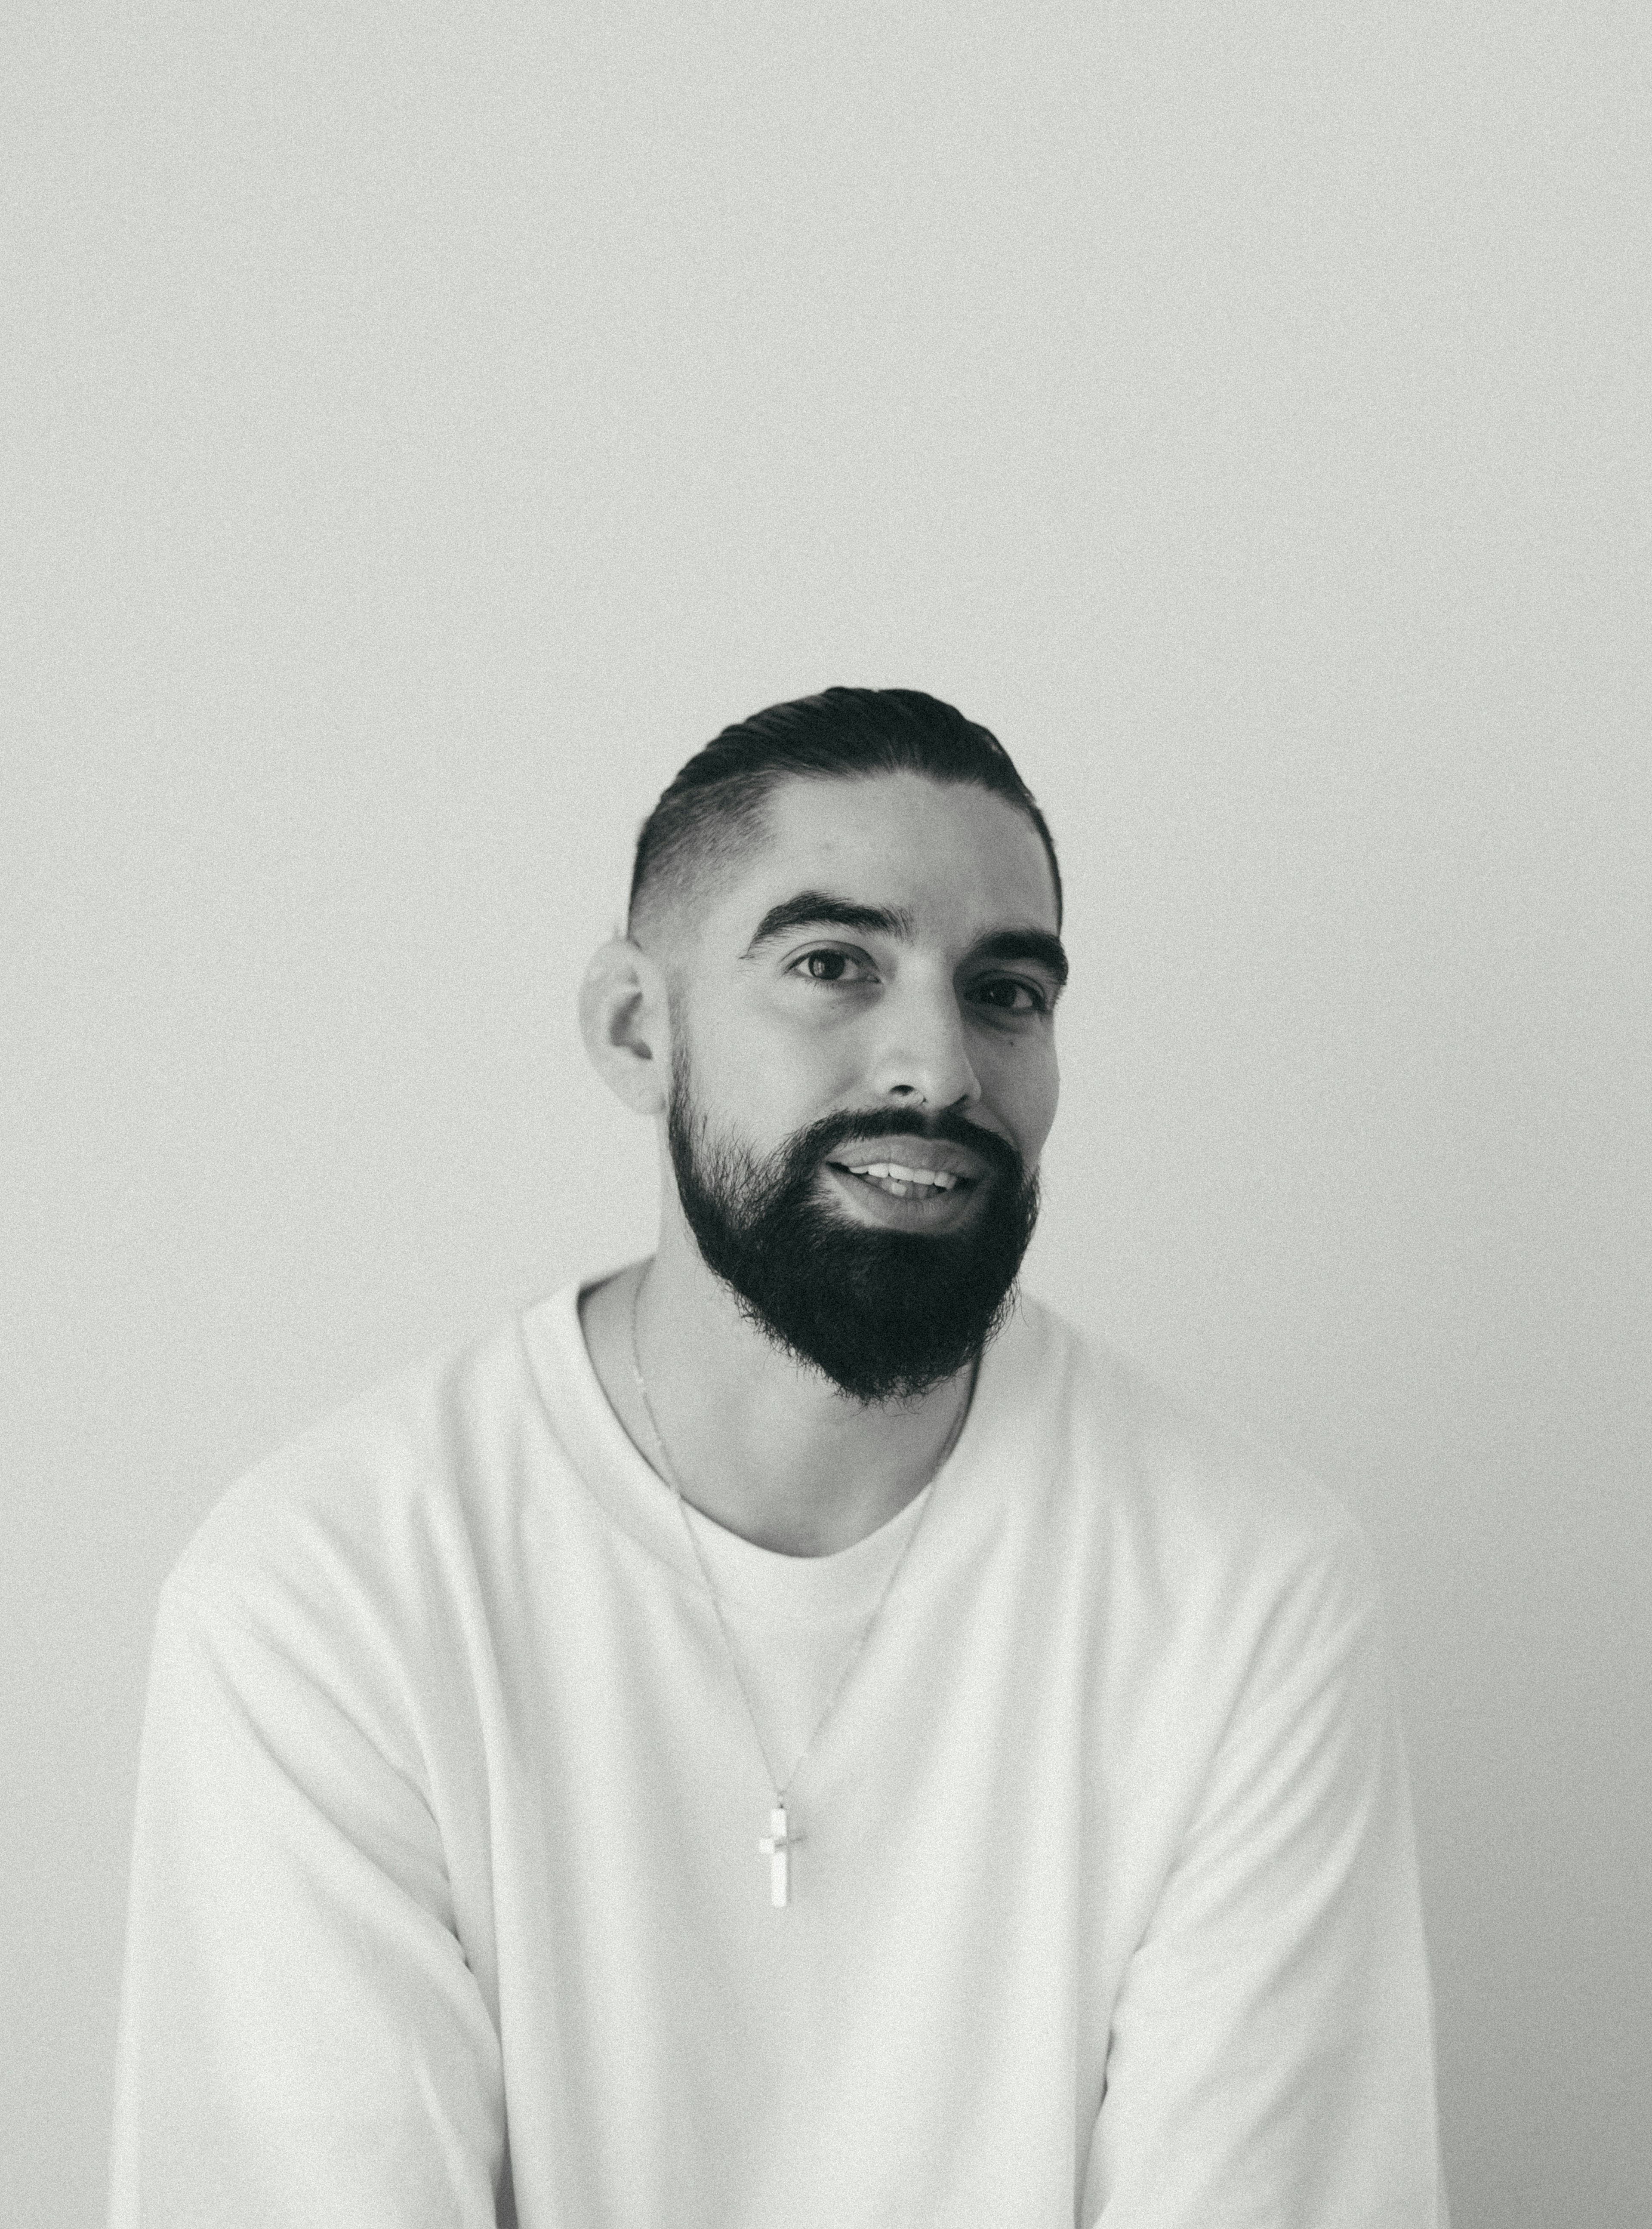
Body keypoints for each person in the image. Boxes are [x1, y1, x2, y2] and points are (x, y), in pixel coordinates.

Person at [108, 687, 1448, 2227]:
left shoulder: (1247, 1591)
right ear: (636, 1027)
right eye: (832, 965)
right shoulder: (326, 1588)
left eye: (1006, 991)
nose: (936, 1066)